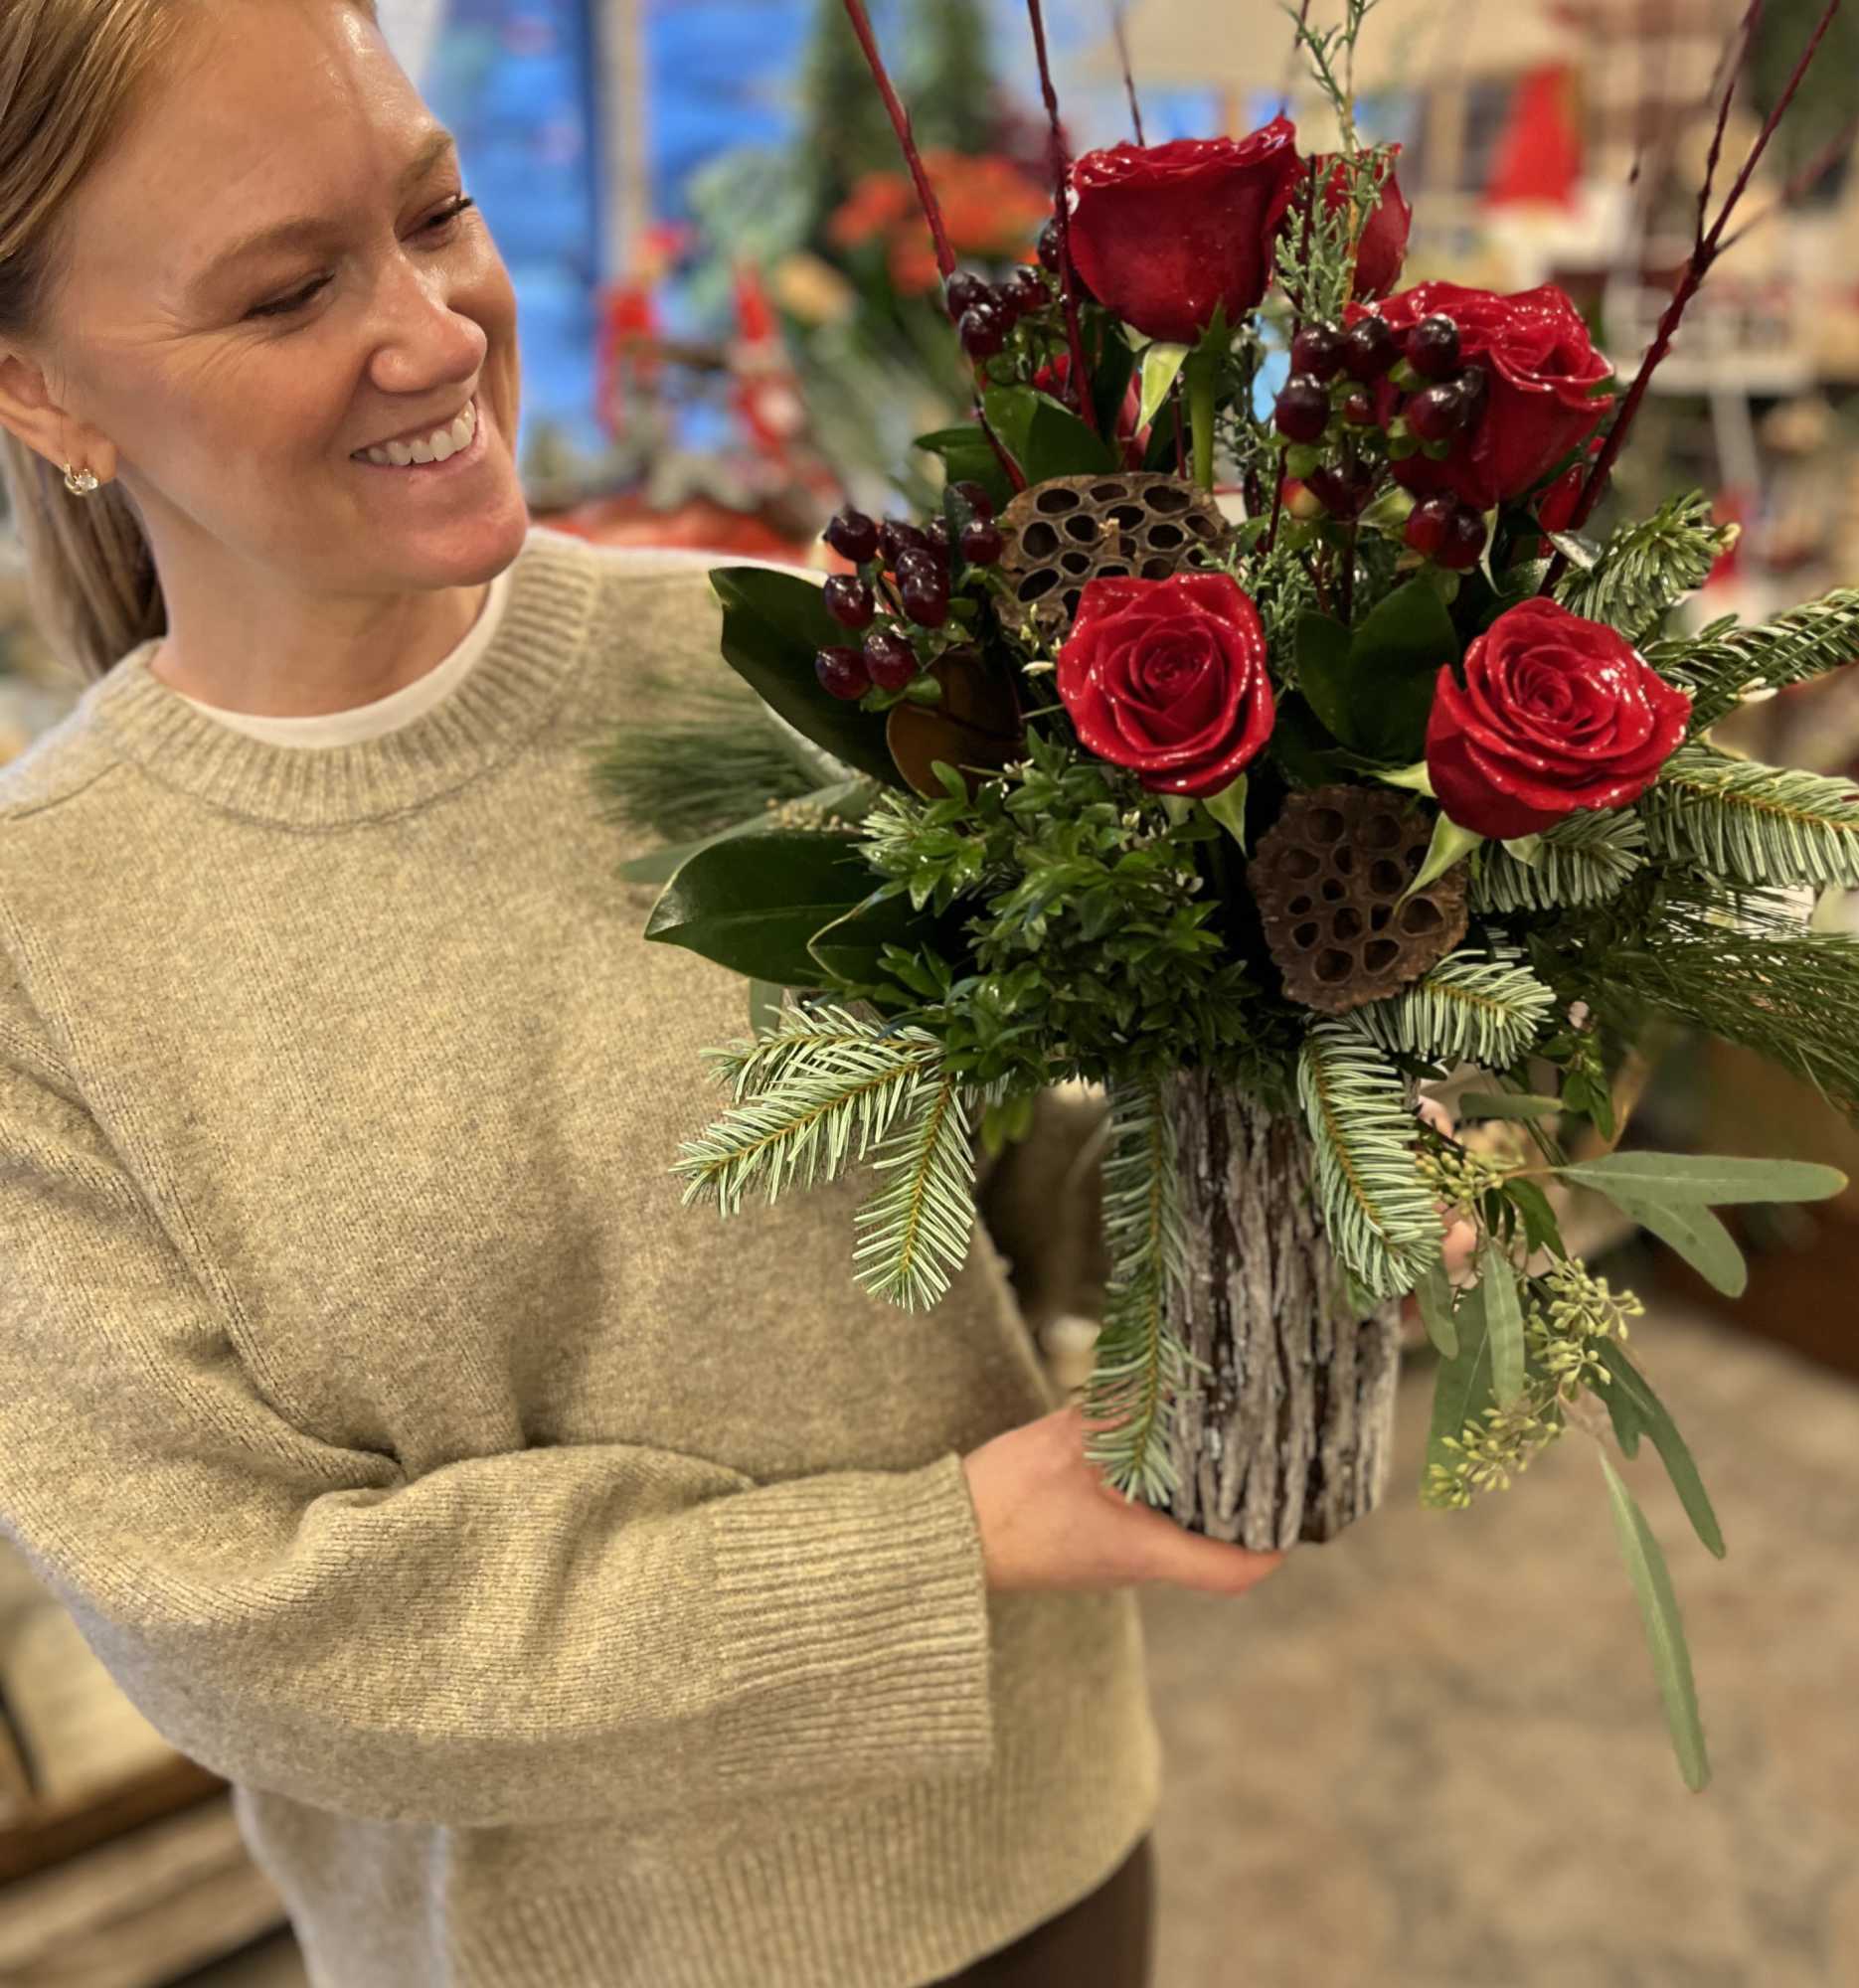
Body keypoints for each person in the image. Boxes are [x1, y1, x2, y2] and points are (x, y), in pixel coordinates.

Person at [0, 5, 1287, 1985]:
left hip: (1033, 1858)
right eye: (283, 293)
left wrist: (1295, 1173)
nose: (437, 332)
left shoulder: (744, 653)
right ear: (42, 390)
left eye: (434, 208)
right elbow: (259, 1626)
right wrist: (955, 1543)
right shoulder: (43, 944)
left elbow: (1003, 1160)